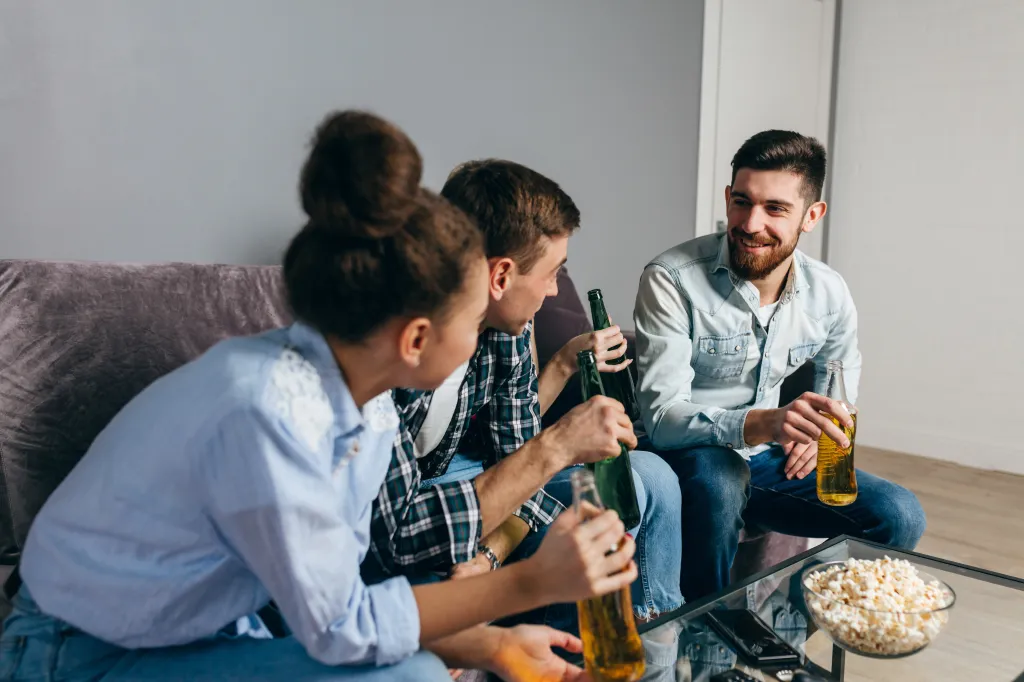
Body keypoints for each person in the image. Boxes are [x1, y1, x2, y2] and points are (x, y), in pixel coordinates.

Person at [0, 111, 638, 682]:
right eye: (473, 323)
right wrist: (531, 582)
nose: (481, 340)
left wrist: (489, 646)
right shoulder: (266, 413)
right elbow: (342, 626)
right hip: (72, 650)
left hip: (207, 629)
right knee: (411, 677)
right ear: (417, 338)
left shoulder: (367, 408)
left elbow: (333, 598)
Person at [378, 159, 683, 626]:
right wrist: (558, 444)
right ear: (500, 276)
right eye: (553, 273)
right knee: (603, 506)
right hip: (410, 503)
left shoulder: (509, 329)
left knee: (649, 477)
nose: (554, 291)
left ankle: (659, 638)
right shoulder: (399, 348)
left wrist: (490, 554)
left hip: (464, 486)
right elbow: (400, 533)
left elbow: (519, 468)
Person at [634, 130, 927, 603]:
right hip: (682, 455)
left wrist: (821, 439)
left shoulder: (829, 292)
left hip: (764, 462)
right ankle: (706, 632)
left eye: (775, 208)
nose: (751, 224)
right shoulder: (671, 279)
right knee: (720, 479)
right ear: (728, 198)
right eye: (742, 202)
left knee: (900, 515)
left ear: (812, 215)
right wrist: (768, 423)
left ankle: (781, 623)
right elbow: (664, 421)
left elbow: (839, 387)